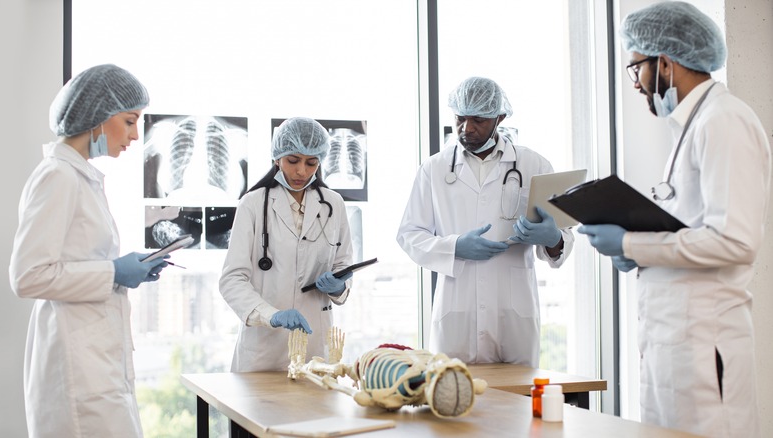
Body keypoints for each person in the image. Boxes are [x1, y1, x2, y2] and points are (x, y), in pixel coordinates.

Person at [577, 3, 770, 437]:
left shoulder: (724, 121)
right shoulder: (692, 125)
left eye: (636, 69)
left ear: (665, 61)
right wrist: (640, 253)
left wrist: (629, 245)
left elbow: (735, 241)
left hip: (705, 350)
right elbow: (690, 230)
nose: (636, 85)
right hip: (677, 350)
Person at [9, 64, 169, 438]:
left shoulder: (80, 176)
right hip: (75, 369)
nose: (134, 134)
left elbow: (77, 261)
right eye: (129, 121)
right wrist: (113, 272)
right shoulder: (58, 176)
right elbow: (27, 276)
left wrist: (130, 270)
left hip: (95, 361)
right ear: (98, 115)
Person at [396, 77, 575, 367]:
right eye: (460, 118)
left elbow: (562, 239)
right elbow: (409, 234)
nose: (466, 128)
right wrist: (455, 247)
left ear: (499, 118)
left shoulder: (534, 165)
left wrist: (552, 239)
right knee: (451, 398)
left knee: (517, 404)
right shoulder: (435, 168)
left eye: (478, 119)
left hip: (514, 312)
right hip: (457, 312)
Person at [219, 116, 354, 373]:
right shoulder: (253, 203)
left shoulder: (333, 204)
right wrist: (272, 315)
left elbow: (344, 264)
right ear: (277, 158)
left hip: (315, 350)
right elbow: (232, 279)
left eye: (311, 162)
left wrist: (339, 286)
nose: (302, 171)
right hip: (263, 352)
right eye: (293, 161)